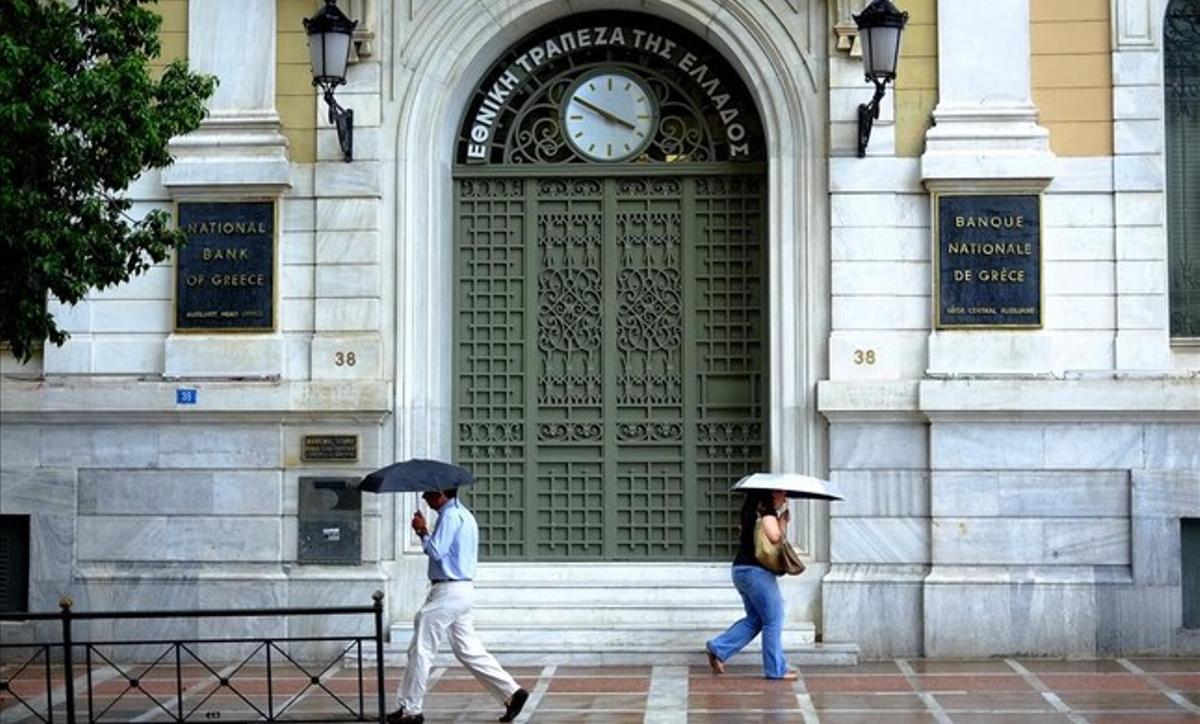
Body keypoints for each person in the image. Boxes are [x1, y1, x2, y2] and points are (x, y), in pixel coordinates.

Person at [388, 488, 530, 724]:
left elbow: (436, 551)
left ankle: (411, 709)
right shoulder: (465, 514)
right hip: (461, 589)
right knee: (467, 649)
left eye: (429, 494)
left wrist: (422, 531)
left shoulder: (450, 516)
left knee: (421, 649)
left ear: (442, 493)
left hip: (448, 590)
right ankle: (511, 693)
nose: (425, 498)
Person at [703, 488, 797, 680]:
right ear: (771, 495)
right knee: (774, 619)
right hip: (757, 573)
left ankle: (718, 648)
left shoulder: (748, 513)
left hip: (741, 570)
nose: (784, 499)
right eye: (782, 494)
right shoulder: (767, 515)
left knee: (756, 619)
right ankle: (776, 669)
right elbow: (775, 539)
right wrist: (782, 523)